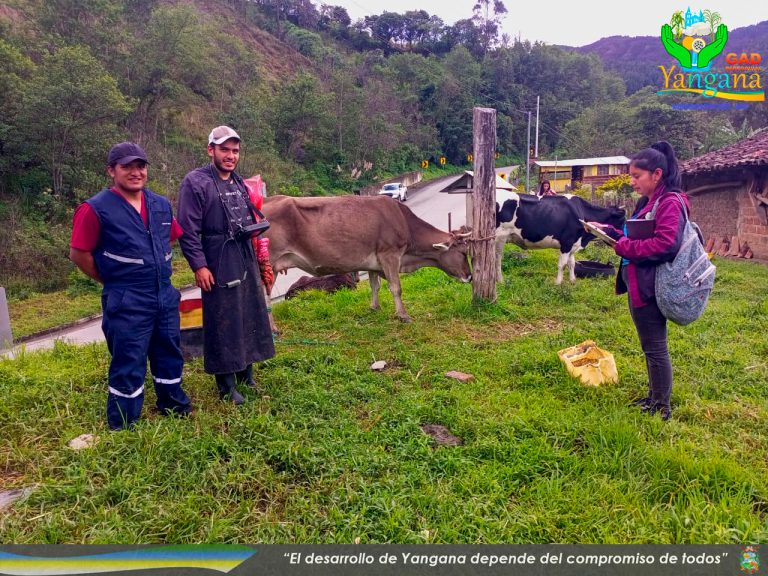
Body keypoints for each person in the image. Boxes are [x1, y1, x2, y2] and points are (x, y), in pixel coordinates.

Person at [70, 142, 192, 430]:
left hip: (164, 293)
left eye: (141, 166)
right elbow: (79, 253)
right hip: (127, 298)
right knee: (129, 359)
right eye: (127, 167)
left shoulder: (160, 204)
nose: (136, 172)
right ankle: (124, 423)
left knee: (169, 351)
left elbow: (171, 236)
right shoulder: (95, 209)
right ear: (111, 171)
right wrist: (113, 279)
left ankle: (173, 404)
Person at [587, 141, 688, 421]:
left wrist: (624, 248)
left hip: (653, 286)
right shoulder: (648, 202)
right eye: (631, 176)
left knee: (656, 347)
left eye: (636, 176)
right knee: (649, 346)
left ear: (657, 174)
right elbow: (632, 234)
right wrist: (606, 231)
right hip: (638, 282)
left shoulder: (670, 202)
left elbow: (666, 244)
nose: (632, 182)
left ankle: (662, 407)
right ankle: (653, 398)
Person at [176, 126, 275, 405]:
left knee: (250, 312)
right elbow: (187, 229)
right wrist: (199, 266)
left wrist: (259, 256)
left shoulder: (238, 182)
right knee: (225, 318)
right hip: (218, 257)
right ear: (211, 150)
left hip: (244, 253)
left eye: (235, 151)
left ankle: (247, 373)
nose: (231, 156)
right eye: (224, 150)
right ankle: (226, 385)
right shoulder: (196, 183)